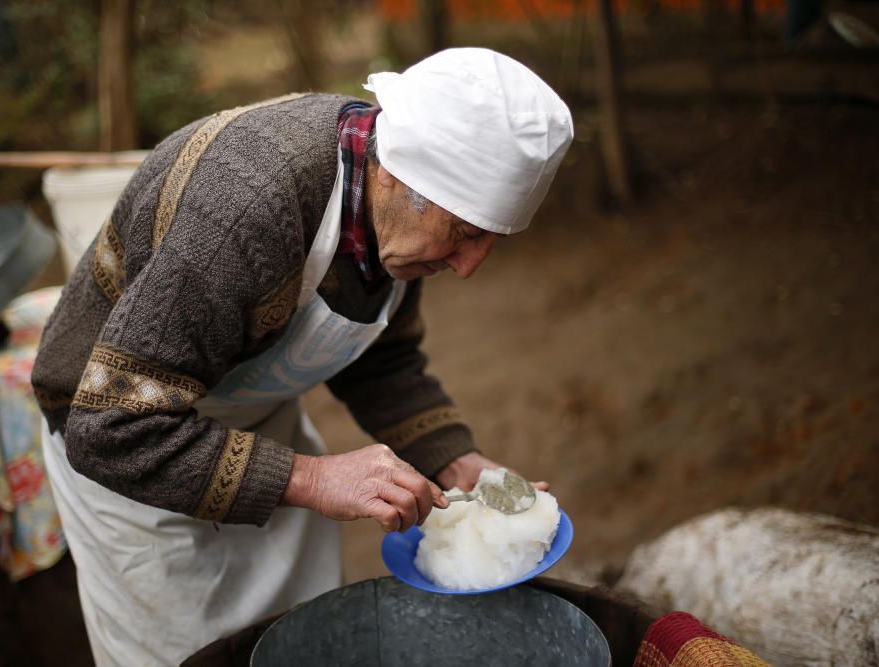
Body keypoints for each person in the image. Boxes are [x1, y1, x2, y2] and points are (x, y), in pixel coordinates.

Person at [31, 47, 573, 665]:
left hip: (256, 428)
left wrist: (456, 462)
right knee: (191, 654)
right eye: (468, 234)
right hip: (131, 455)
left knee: (293, 644)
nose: (469, 266)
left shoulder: (395, 219)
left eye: (490, 241)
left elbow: (381, 357)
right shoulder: (243, 207)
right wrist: (314, 478)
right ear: (398, 174)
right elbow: (109, 430)